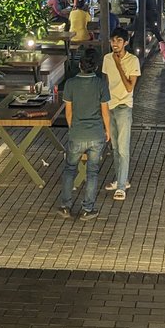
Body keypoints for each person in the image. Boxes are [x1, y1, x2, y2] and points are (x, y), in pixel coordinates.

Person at [57, 45, 111, 218]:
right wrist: (107, 131)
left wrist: (73, 127)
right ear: (96, 66)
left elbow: (68, 112)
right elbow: (105, 111)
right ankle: (88, 209)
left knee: (70, 169)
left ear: (80, 64)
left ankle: (65, 206)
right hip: (96, 134)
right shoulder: (101, 84)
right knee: (92, 172)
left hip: (77, 133)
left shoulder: (71, 84)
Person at [102, 28, 140, 201]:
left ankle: (122, 186)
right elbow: (106, 82)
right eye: (112, 41)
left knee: (123, 148)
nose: (114, 44)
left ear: (125, 42)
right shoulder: (106, 59)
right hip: (110, 105)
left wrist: (118, 65)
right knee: (115, 147)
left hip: (124, 105)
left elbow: (129, 87)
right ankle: (119, 179)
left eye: (118, 40)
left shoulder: (133, 60)